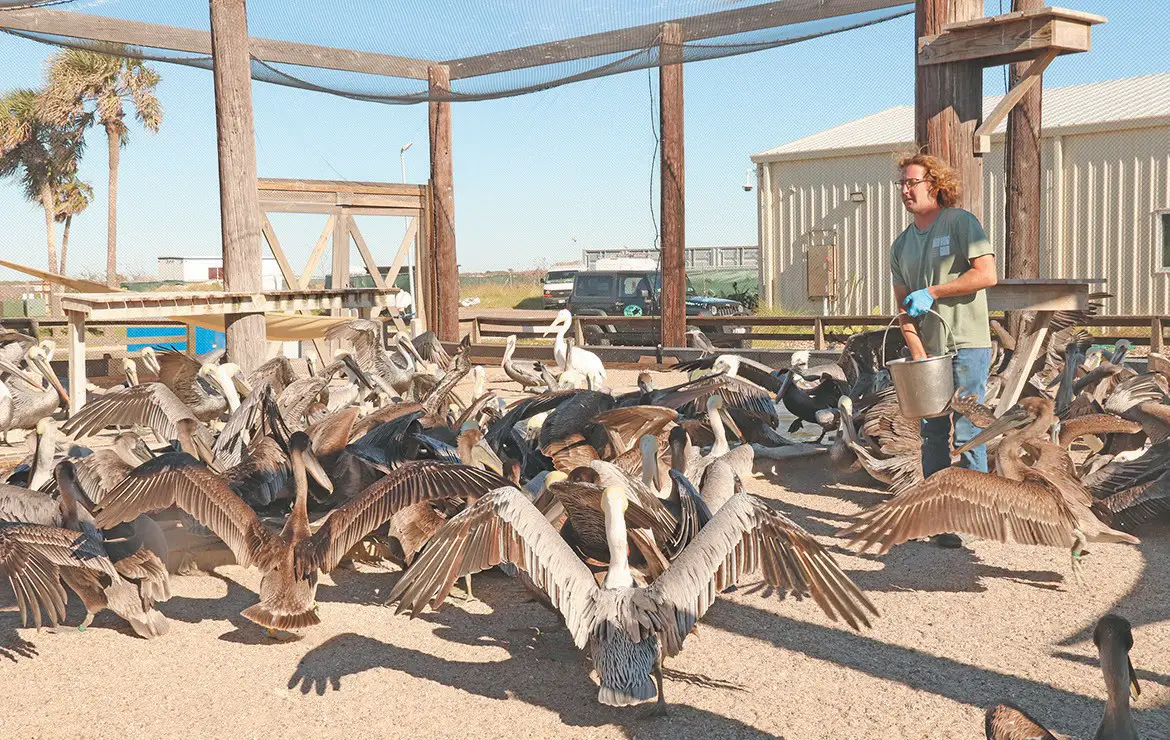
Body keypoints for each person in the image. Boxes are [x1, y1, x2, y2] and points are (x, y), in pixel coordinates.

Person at [890, 153, 998, 548]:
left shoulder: (960, 223)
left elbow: (987, 274)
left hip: (968, 344)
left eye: (912, 182)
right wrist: (917, 350)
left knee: (969, 430)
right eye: (901, 183)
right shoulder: (901, 245)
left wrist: (933, 291)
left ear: (934, 185)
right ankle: (939, 518)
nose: (905, 190)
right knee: (932, 432)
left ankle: (977, 514)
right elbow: (902, 307)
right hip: (930, 355)